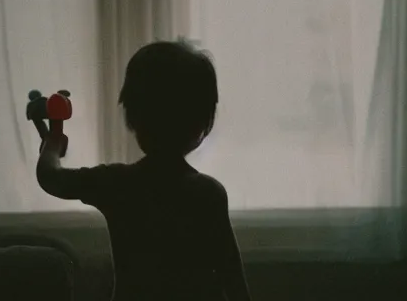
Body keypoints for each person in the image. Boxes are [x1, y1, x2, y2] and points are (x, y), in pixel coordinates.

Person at [36, 39, 251, 301]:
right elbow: (234, 283)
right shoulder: (208, 194)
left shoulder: (115, 184)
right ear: (200, 126)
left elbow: (49, 177)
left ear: (133, 117)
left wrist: (52, 144)